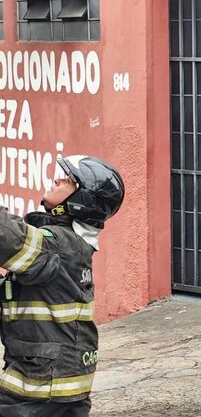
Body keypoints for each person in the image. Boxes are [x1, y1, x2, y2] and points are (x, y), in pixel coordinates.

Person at [0, 155, 124, 416]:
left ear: (81, 201)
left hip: (39, 387)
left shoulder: (60, 246)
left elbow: (8, 238)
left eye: (67, 180)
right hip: (58, 381)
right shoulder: (71, 245)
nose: (57, 179)